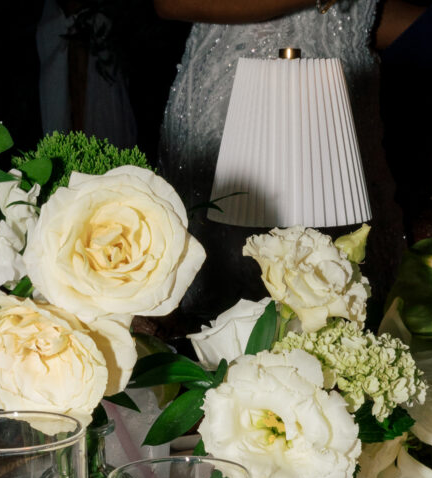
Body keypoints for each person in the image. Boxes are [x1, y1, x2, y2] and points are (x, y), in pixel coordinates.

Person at [154, 0, 409, 323]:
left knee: (353, 283)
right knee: (231, 298)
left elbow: (358, 13)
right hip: (243, 101)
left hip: (343, 102)